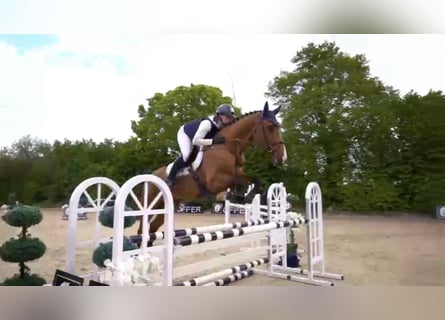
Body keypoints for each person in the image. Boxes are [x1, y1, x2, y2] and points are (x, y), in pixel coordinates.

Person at [165, 103, 236, 187]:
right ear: (220, 116)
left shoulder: (222, 125)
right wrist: (213, 141)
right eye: (227, 117)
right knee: (186, 155)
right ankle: (170, 178)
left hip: (201, 137)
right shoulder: (207, 124)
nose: (229, 120)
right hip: (186, 134)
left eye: (230, 118)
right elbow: (196, 141)